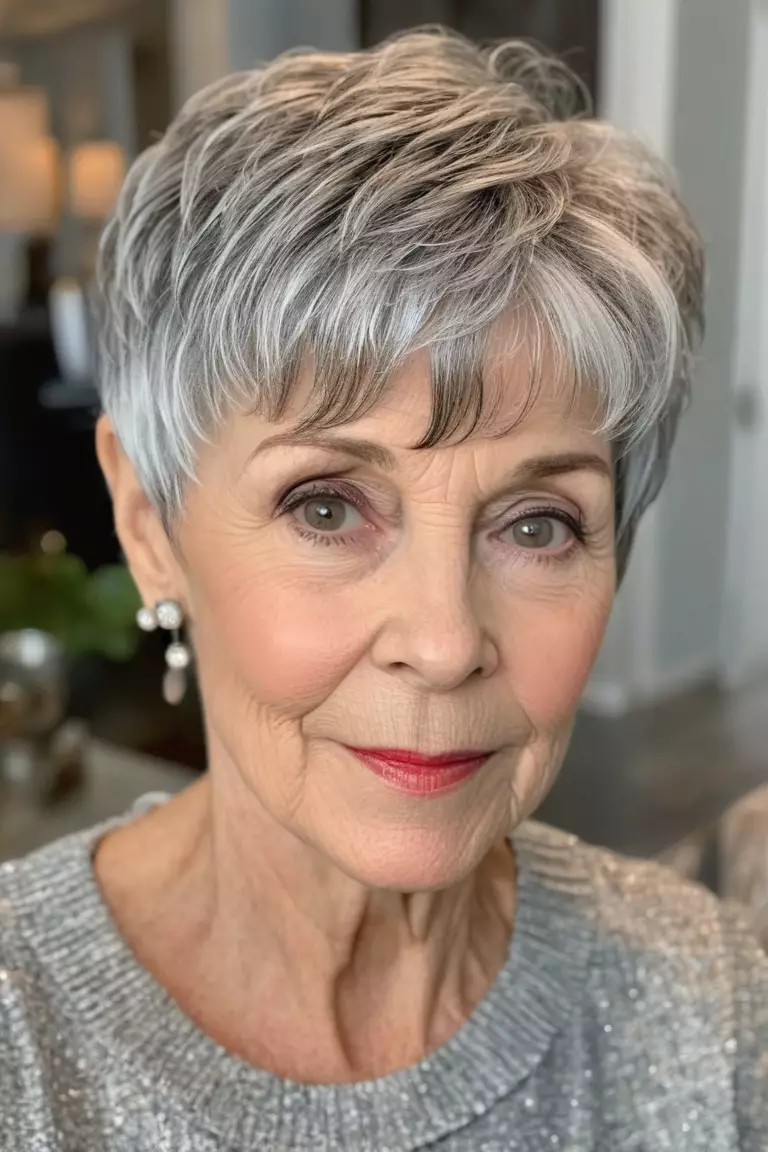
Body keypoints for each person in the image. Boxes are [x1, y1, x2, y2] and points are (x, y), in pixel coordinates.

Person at [1, 29, 765, 1151]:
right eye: (325, 507)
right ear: (148, 523)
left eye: (538, 524)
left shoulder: (718, 1008)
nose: (447, 640)